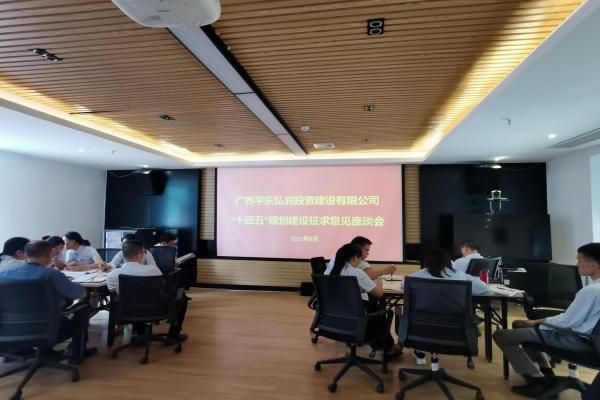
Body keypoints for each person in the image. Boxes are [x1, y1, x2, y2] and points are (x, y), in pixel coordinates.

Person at [493, 243, 600, 397]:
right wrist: (539, 322)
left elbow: (567, 322)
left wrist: (536, 322)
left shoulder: (591, 291)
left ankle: (536, 380)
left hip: (575, 340)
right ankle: (546, 370)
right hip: (592, 343)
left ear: (594, 265)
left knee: (502, 335)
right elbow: (572, 318)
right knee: (524, 329)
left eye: (580, 260)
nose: (577, 264)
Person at [0, 240, 96, 363]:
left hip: (8, 330)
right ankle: (77, 354)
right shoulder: (52, 275)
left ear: (26, 254)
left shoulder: (4, 275)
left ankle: (25, 350)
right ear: (49, 256)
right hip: (48, 329)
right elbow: (80, 294)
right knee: (84, 306)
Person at [407, 248, 491, 364]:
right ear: (448, 261)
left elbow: (403, 285)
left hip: (421, 329)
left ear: (427, 261)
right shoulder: (460, 276)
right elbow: (485, 289)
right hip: (454, 332)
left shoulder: (417, 276)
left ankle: (419, 351)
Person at [107, 240, 188, 342]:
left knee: (135, 299)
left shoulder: (111, 276)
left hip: (127, 312)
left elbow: (114, 294)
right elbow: (162, 289)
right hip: (155, 310)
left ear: (123, 255)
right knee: (182, 296)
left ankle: (140, 333)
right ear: (138, 255)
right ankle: (173, 335)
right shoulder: (152, 270)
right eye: (143, 252)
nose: (144, 254)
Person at [326, 243, 395, 354]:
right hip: (355, 322)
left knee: (371, 304)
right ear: (355, 257)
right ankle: (387, 348)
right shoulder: (356, 272)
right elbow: (379, 293)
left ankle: (382, 346)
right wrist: (379, 283)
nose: (359, 262)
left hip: (334, 321)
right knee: (377, 311)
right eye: (359, 259)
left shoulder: (330, 272)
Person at [325, 236, 396, 279]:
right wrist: (385, 271)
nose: (368, 253)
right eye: (366, 250)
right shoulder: (354, 261)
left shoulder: (336, 259)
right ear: (357, 249)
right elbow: (369, 276)